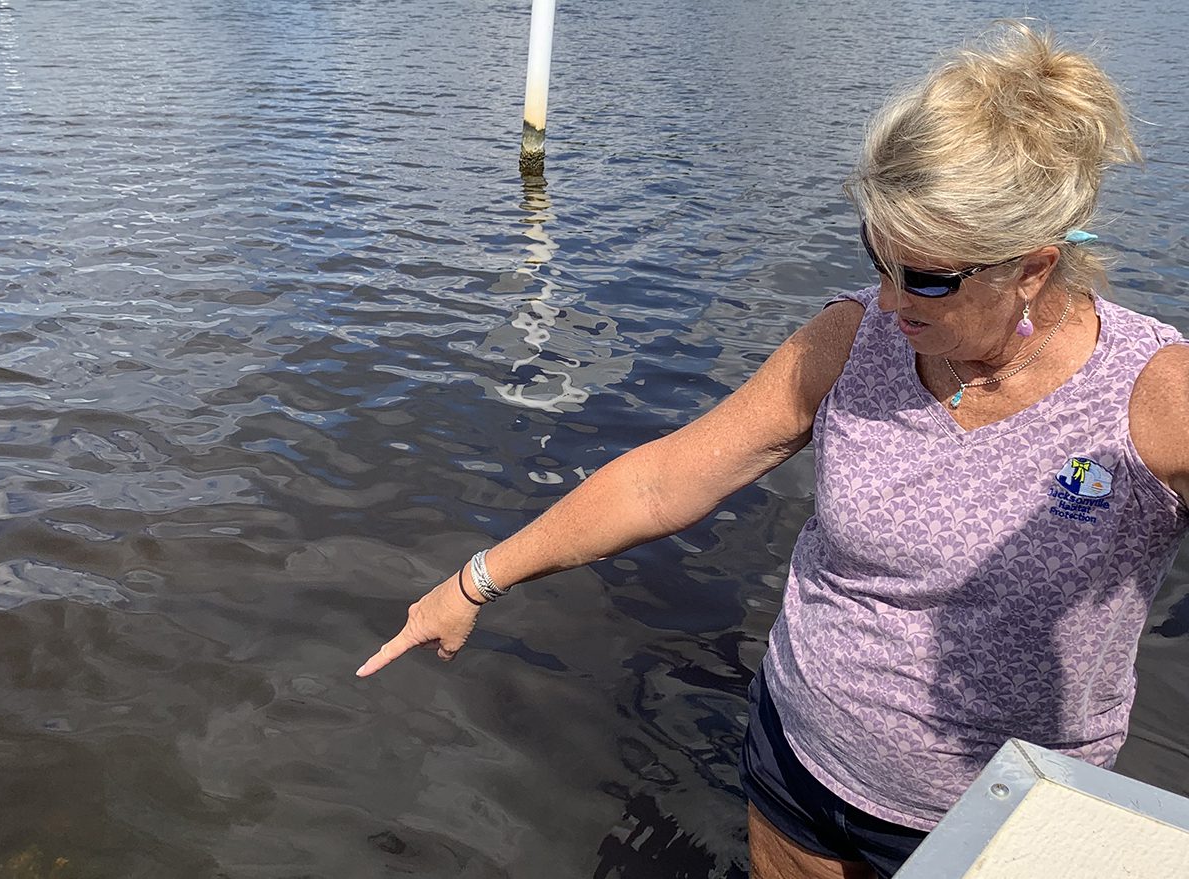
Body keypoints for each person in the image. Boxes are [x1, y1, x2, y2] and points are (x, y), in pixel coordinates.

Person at [356, 21, 1189, 879]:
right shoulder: (853, 336)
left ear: (1033, 265)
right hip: (801, 770)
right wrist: (475, 580)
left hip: (1000, 823)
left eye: (930, 276)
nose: (892, 300)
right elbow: (660, 482)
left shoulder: (1151, 398)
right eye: (879, 255)